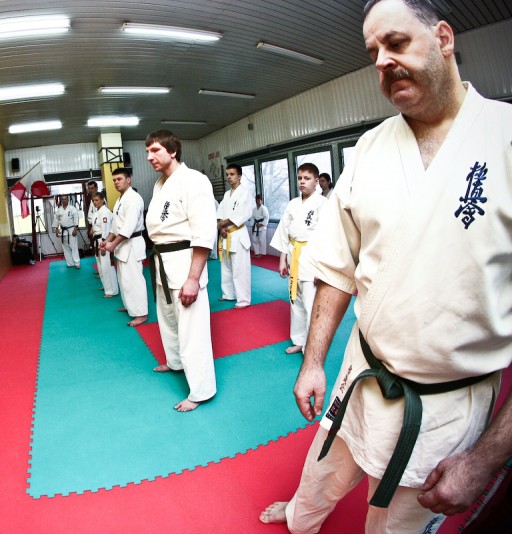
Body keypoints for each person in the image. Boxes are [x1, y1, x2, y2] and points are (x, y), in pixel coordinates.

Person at [259, 0, 512, 532]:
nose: (381, 61)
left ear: (444, 38)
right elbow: (337, 266)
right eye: (373, 52)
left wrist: (486, 458)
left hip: (447, 404)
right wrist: (313, 362)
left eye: (396, 43)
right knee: (319, 473)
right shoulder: (370, 148)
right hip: (362, 373)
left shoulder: (505, 138)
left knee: (397, 523)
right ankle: (301, 516)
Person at [145, 130, 217, 412]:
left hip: (185, 263)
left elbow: (204, 234)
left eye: (155, 150)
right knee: (168, 320)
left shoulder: (194, 181)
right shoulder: (160, 184)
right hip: (162, 262)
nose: (149, 157)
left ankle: (201, 390)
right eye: (147, 151)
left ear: (173, 151)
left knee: (192, 330)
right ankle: (175, 362)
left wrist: (193, 279)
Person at [270, 163, 327, 355]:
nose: (302, 182)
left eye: (307, 178)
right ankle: (299, 341)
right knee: (295, 301)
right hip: (294, 255)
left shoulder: (322, 203)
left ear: (316, 181)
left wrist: (321, 268)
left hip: (312, 257)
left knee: (311, 304)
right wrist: (282, 259)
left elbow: (327, 237)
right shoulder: (293, 204)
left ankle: (311, 346)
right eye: (300, 178)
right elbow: (284, 232)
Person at [101, 168, 148, 327]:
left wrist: (112, 245)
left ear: (129, 180)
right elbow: (115, 227)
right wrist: (106, 241)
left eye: (119, 179)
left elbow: (128, 228)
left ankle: (141, 314)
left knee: (135, 280)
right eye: (114, 180)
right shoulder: (120, 200)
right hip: (122, 245)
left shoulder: (134, 199)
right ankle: (130, 306)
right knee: (124, 280)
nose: (116, 182)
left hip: (132, 244)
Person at [216, 163, 252, 308]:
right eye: (227, 174)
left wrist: (221, 224)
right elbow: (220, 212)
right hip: (226, 235)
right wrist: (221, 228)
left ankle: (243, 300)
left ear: (239, 176)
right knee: (226, 267)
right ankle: (228, 294)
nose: (229, 177)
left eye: (232, 174)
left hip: (238, 235)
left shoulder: (245, 193)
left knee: (240, 270)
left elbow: (241, 214)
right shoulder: (226, 194)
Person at [90, 192, 119, 298]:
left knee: (107, 266)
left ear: (103, 200)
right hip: (97, 240)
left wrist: (104, 244)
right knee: (101, 266)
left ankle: (111, 290)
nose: (95, 202)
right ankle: (106, 286)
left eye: (97, 200)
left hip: (103, 241)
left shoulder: (105, 212)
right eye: (93, 200)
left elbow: (106, 230)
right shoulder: (97, 212)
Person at [53, 194, 81, 269]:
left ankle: (77, 263)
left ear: (68, 200)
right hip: (63, 231)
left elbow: (76, 218)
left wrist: (75, 228)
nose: (64, 200)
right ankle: (70, 263)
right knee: (66, 248)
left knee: (74, 247)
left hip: (71, 230)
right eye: (62, 199)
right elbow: (56, 220)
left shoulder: (72, 208)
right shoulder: (59, 210)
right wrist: (56, 229)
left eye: (65, 199)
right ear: (61, 200)